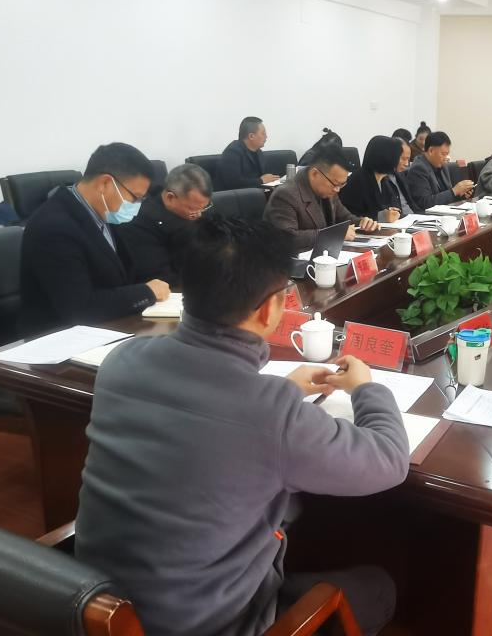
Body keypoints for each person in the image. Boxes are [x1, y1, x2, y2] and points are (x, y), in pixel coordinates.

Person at [75, 215, 408, 636]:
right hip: (210, 625)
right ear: (270, 308)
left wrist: (283, 392)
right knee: (377, 587)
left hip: (96, 607)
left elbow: (207, 416)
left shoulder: (122, 361)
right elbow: (389, 460)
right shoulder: (271, 413)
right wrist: (366, 388)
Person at [19, 143, 170, 337]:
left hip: (108, 327)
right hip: (60, 338)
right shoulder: (53, 227)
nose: (136, 206)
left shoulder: (104, 212)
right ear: (105, 184)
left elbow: (125, 275)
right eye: (135, 198)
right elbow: (80, 307)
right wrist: (146, 293)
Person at [264, 144, 378, 250]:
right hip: (293, 260)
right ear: (314, 174)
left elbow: (344, 217)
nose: (337, 190)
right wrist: (334, 235)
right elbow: (287, 238)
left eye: (341, 184)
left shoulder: (330, 189)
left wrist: (362, 223)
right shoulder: (286, 194)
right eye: (335, 184)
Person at [117, 163, 213, 288]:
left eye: (204, 207)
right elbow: (160, 279)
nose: (199, 214)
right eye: (192, 208)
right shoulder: (140, 225)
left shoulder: (195, 208)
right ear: (170, 197)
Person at [339, 136, 407, 223]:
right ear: (386, 157)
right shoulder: (358, 181)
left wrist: (391, 211)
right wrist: (382, 216)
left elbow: (389, 206)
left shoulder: (383, 179)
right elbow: (352, 216)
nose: (403, 162)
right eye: (399, 157)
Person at [405, 131, 474, 211]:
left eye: (447, 154)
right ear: (431, 151)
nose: (446, 158)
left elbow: (447, 195)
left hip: (445, 212)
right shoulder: (418, 169)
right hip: (427, 215)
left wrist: (461, 194)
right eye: (443, 154)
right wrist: (454, 191)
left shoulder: (442, 166)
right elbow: (425, 203)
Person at [221, 116, 280, 189]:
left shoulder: (258, 152)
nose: (266, 137)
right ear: (251, 136)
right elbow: (234, 183)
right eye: (263, 133)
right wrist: (260, 181)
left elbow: (263, 176)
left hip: (255, 192)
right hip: (233, 195)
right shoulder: (232, 153)